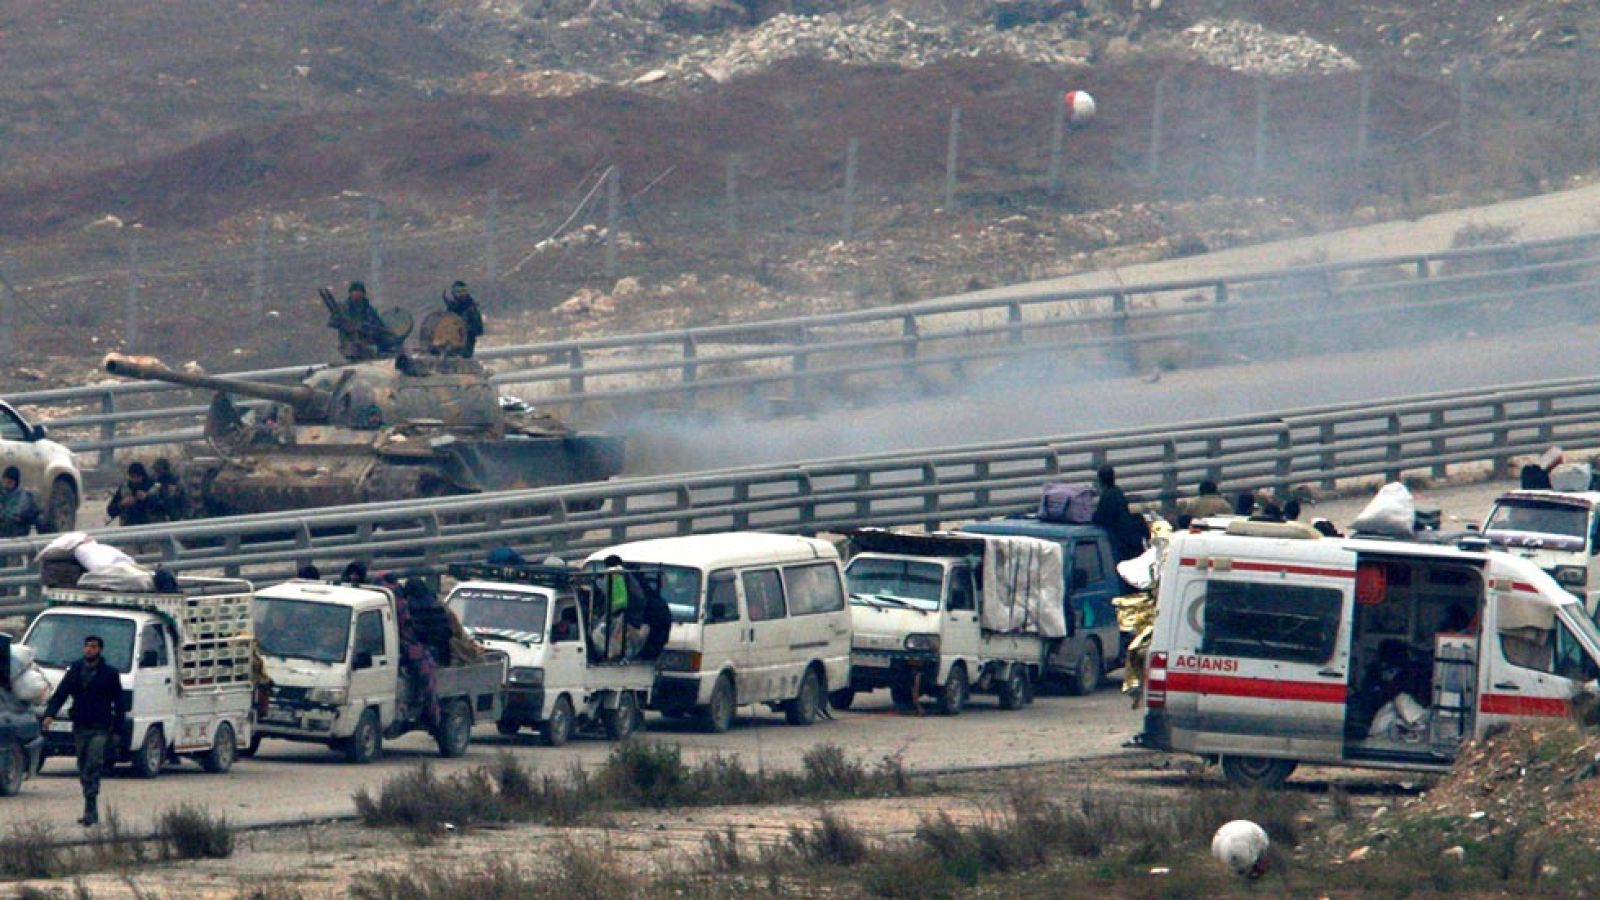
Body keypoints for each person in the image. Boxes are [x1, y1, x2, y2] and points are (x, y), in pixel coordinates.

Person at [42, 636, 126, 827]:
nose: (89, 649)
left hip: (100, 727)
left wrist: (117, 730)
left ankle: (91, 808)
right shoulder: (76, 669)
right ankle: (89, 806)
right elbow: (61, 693)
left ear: (100, 649)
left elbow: (119, 703)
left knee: (93, 764)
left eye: (93, 647)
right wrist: (50, 714)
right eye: (87, 646)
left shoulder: (109, 674)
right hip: (81, 726)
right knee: (83, 766)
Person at [1091, 465, 1147, 562]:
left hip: (1120, 542)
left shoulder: (1107, 496)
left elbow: (1102, 518)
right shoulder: (1118, 492)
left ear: (1100, 481)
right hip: (1129, 539)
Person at [106, 462, 156, 527]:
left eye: (138, 477)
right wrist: (122, 503)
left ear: (143, 476)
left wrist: (147, 498)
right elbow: (111, 511)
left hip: (151, 527)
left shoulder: (152, 487)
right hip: (129, 528)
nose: (135, 480)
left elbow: (162, 507)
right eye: (132, 477)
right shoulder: (124, 489)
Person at [444, 281, 485, 358]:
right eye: (458, 292)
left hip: (466, 347)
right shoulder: (451, 308)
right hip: (450, 345)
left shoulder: (471, 308)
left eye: (464, 291)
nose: (461, 294)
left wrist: (468, 327)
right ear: (453, 293)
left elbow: (479, 330)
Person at [0, 466, 40, 539]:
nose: (5, 485)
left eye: (9, 482)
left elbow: (15, 515)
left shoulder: (24, 496)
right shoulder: (3, 494)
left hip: (16, 533)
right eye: (4, 482)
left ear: (15, 483)